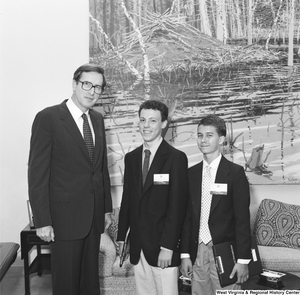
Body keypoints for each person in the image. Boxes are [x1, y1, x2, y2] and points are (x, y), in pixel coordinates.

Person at [28, 63, 112, 295]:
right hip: (63, 221)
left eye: (98, 87)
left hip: (93, 218)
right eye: (87, 84)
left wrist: (106, 209)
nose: (92, 91)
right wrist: (42, 220)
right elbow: (37, 174)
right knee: (67, 285)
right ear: (74, 84)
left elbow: (100, 168)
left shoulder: (97, 120)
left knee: (89, 284)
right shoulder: (49, 118)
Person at [117, 100, 188, 295]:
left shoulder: (176, 158)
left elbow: (177, 207)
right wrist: (122, 237)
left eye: (153, 121)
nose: (146, 126)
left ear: (164, 124)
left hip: (162, 247)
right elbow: (127, 201)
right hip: (138, 247)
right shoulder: (131, 158)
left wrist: (168, 246)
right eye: (142, 120)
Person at [180, 114, 252, 295]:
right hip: (197, 251)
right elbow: (187, 218)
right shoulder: (191, 174)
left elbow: (242, 218)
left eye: (209, 135)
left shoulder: (235, 173)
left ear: (221, 139)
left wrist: (243, 260)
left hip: (224, 251)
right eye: (200, 135)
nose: (203, 140)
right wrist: (185, 255)